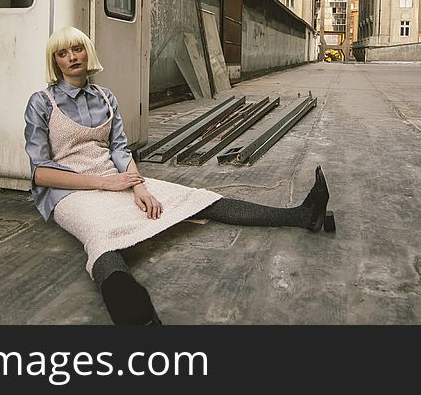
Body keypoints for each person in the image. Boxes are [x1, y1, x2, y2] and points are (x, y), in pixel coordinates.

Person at [24, 26, 333, 325]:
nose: (72, 57)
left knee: (199, 199)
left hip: (116, 179)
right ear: (55, 61)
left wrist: (139, 186)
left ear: (87, 52)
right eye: (62, 53)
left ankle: (302, 216)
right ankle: (137, 316)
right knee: (102, 238)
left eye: (77, 49)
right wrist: (106, 183)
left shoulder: (106, 98)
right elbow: (40, 174)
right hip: (70, 193)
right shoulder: (41, 102)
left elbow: (119, 150)